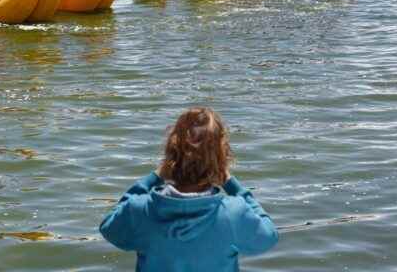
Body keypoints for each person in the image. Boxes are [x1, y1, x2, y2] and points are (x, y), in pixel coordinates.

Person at [99, 107, 278, 272]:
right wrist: (232, 185)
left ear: (170, 155)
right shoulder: (234, 212)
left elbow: (109, 227)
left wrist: (152, 178)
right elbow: (268, 236)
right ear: (221, 159)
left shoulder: (140, 209)